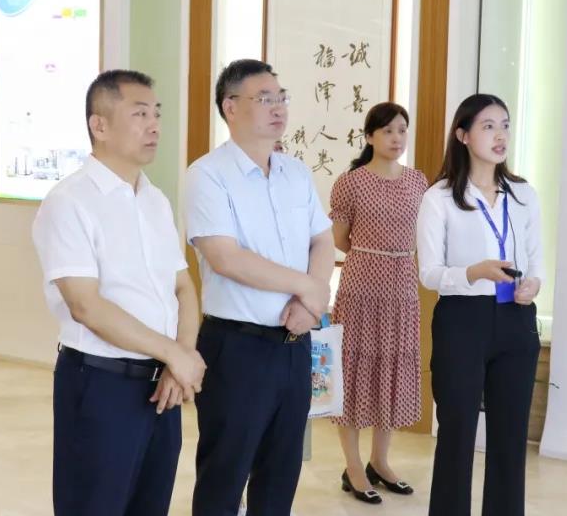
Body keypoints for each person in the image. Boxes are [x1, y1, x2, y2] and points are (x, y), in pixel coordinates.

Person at [32, 69, 205, 516]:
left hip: (162, 385)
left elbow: (183, 287)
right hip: (101, 385)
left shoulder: (155, 199)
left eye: (157, 114)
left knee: (151, 505)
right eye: (140, 114)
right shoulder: (69, 201)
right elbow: (86, 306)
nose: (154, 125)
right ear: (100, 125)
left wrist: (180, 357)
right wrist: (174, 352)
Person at [185, 59, 334, 516]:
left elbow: (323, 239)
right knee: (225, 473)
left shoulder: (296, 173)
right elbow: (225, 257)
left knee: (281, 472)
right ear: (230, 107)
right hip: (237, 348)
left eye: (281, 98)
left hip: (293, 345)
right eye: (265, 99)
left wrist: (311, 303)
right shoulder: (207, 174)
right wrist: (309, 287)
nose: (278, 108)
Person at [416, 93, 543, 516]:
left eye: (504, 125)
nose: (500, 135)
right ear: (463, 135)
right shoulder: (439, 198)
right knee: (456, 433)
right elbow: (429, 273)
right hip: (461, 322)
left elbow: (535, 260)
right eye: (488, 126)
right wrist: (474, 272)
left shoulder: (523, 194)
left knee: (510, 436)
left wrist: (532, 285)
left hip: (516, 320)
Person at [329, 102, 426, 505]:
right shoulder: (351, 182)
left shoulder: (419, 181)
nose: (396, 138)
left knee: (391, 370)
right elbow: (339, 240)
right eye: (387, 131)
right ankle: (353, 468)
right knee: (353, 374)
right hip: (360, 287)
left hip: (403, 287)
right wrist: (375, 256)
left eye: (402, 130)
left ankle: (380, 462)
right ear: (369, 136)